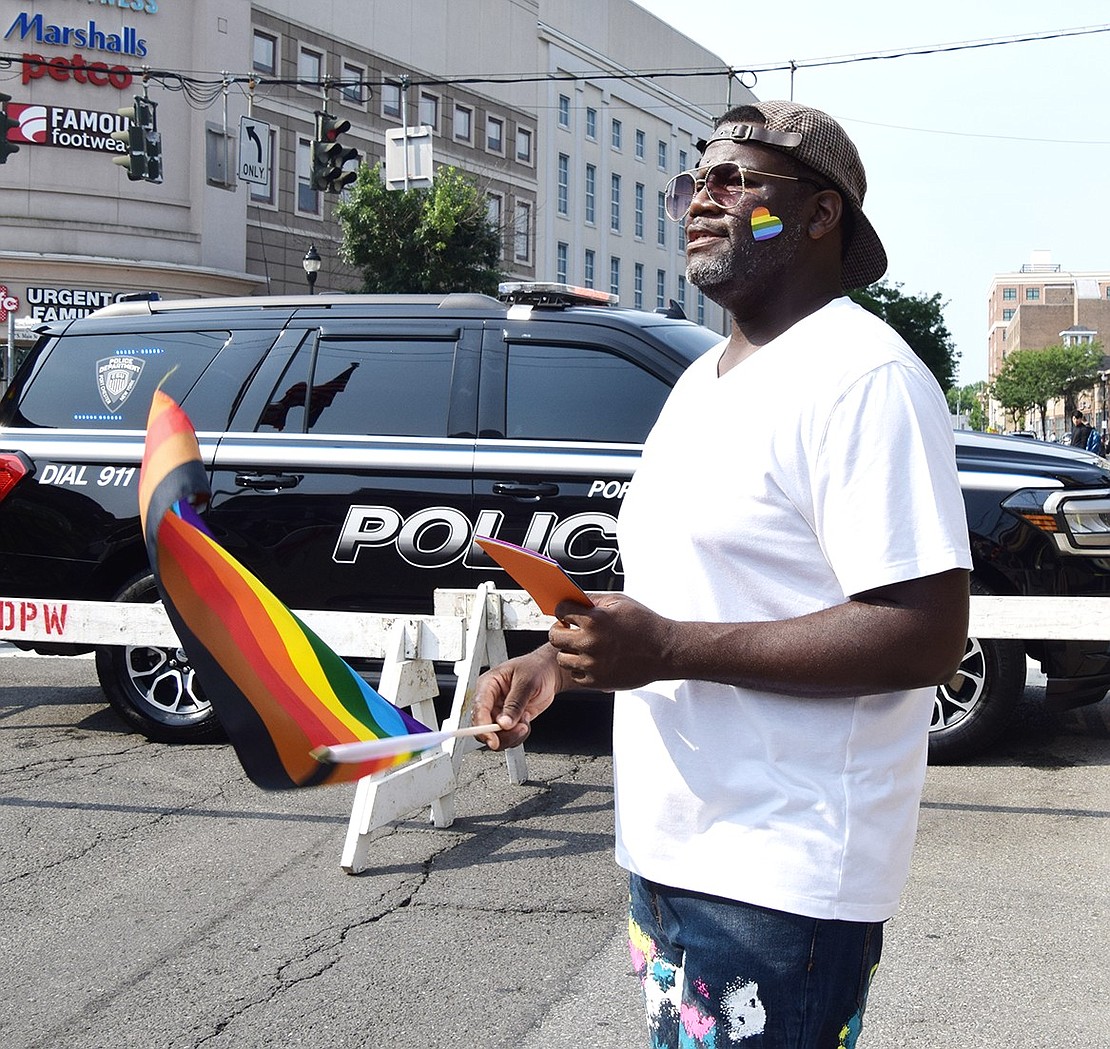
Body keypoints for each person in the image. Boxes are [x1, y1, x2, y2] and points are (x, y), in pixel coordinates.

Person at [475, 100, 971, 1049]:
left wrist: (664, 648)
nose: (702, 200)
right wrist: (556, 661)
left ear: (821, 215)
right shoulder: (701, 383)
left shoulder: (865, 377)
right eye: (693, 183)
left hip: (781, 878)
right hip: (672, 854)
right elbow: (700, 592)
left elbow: (924, 632)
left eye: (736, 180)